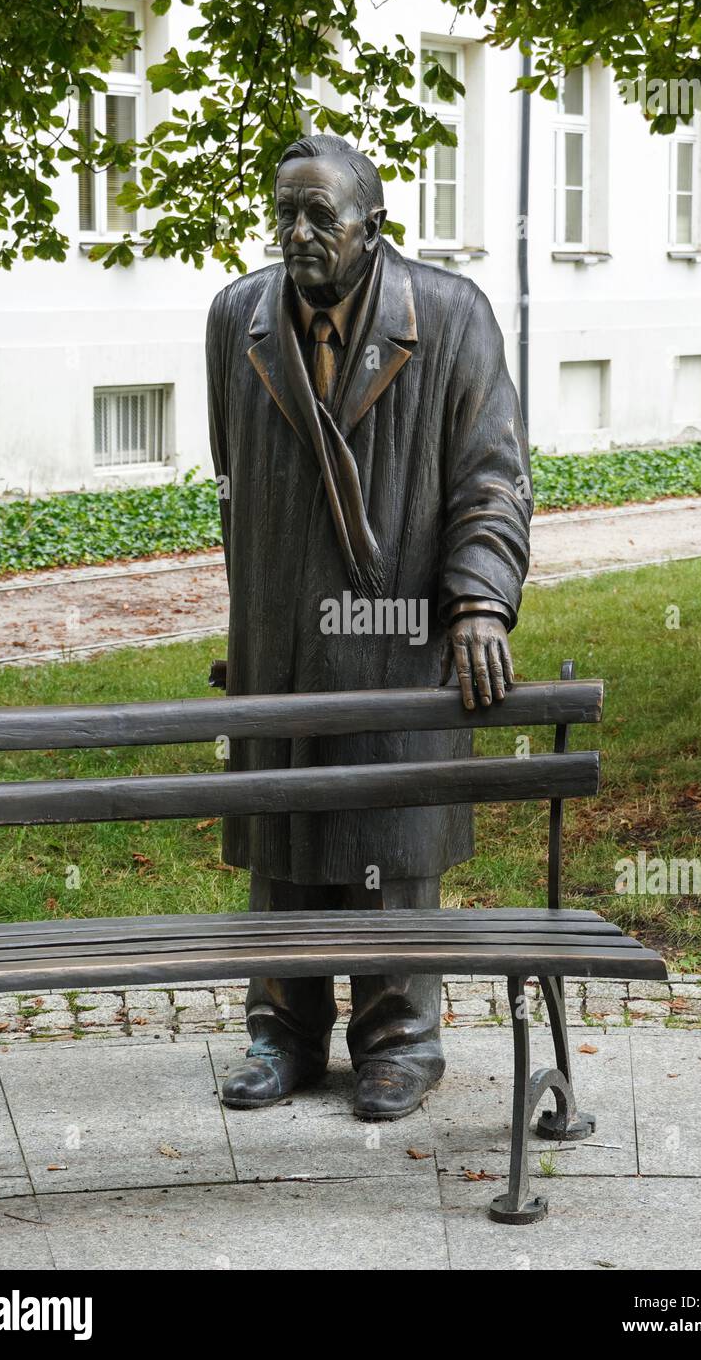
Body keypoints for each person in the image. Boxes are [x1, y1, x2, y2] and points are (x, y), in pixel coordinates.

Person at [206, 134, 532, 1119]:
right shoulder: (237, 318)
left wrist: (478, 599)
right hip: (280, 632)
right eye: (285, 213)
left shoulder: (446, 317)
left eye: (321, 217)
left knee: (389, 829)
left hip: (396, 629)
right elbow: (231, 468)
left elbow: (491, 474)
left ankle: (399, 1034)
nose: (297, 233)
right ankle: (282, 1025)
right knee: (286, 833)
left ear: (373, 228)